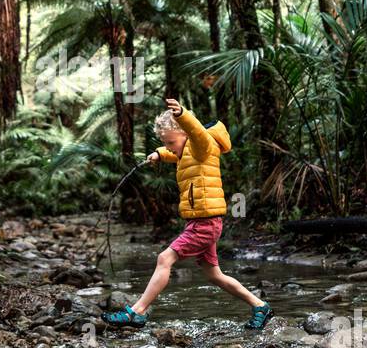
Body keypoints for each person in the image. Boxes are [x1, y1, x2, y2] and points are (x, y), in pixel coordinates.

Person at [101, 98, 273, 329]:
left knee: (165, 258)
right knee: (214, 275)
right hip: (199, 223)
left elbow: (196, 132)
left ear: (186, 132)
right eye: (166, 142)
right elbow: (177, 153)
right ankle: (260, 305)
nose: (170, 146)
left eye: (171, 141)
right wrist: (160, 154)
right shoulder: (187, 152)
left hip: (205, 224)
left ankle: (137, 312)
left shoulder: (203, 146)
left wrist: (182, 114)